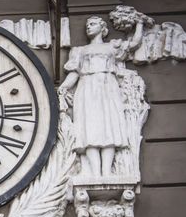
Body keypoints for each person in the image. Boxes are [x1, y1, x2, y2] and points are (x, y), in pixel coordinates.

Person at [58, 16, 144, 177]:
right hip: (87, 89)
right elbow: (74, 74)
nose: (88, 27)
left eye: (93, 24)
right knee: (89, 129)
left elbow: (134, 44)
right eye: (87, 24)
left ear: (102, 28)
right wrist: (63, 88)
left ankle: (106, 172)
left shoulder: (111, 47)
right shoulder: (79, 51)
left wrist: (139, 23)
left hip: (108, 88)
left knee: (108, 128)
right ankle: (95, 174)